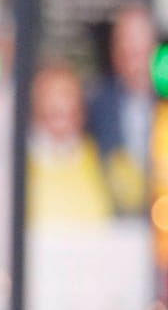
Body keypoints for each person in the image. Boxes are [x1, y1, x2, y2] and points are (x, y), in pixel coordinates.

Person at [88, 3, 158, 215]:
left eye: (139, 47)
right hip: (114, 231)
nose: (132, 56)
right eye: (124, 45)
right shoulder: (96, 104)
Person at [28, 61, 113, 225]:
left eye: (68, 94)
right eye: (53, 94)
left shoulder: (98, 156)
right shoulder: (18, 162)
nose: (61, 101)